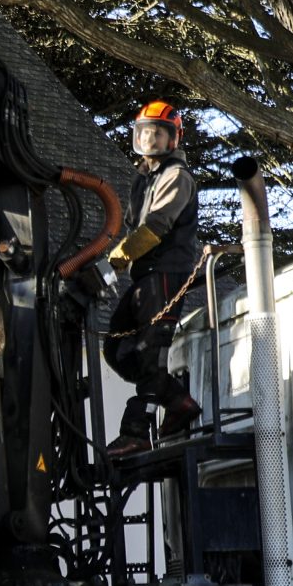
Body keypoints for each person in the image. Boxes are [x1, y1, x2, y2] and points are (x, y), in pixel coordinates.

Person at [103, 101, 204, 456]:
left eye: (158, 133)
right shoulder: (143, 179)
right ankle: (178, 400)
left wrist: (117, 258)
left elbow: (155, 227)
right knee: (115, 348)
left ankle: (135, 431)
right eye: (145, 132)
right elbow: (133, 225)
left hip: (166, 272)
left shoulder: (177, 177)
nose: (150, 139)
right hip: (143, 275)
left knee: (150, 353)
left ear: (173, 138)